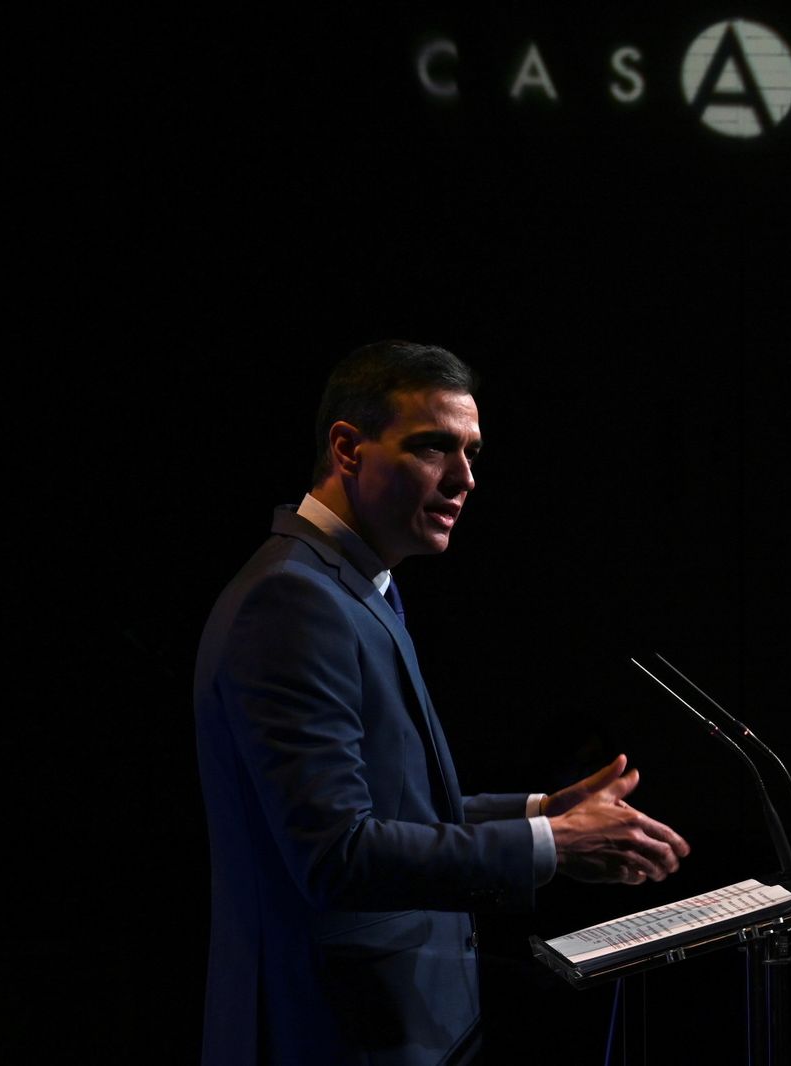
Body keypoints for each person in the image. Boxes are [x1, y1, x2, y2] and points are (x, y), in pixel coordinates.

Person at [192, 339, 691, 1066]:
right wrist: (552, 846)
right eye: (434, 447)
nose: (464, 478)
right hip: (327, 1033)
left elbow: (392, 809)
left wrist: (539, 814)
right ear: (347, 448)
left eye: (473, 453)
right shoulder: (293, 600)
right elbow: (336, 853)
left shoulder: (354, 589)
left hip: (379, 1027)